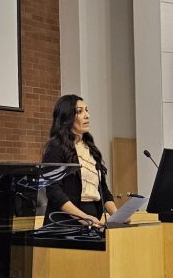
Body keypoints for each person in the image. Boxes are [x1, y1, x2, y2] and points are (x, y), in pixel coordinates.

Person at [41, 94, 117, 227]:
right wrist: (83, 217)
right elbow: (54, 192)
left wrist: (117, 214)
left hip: (92, 221)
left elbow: (102, 189)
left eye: (87, 110)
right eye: (80, 111)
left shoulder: (91, 148)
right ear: (67, 117)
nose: (87, 115)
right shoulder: (56, 148)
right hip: (65, 224)